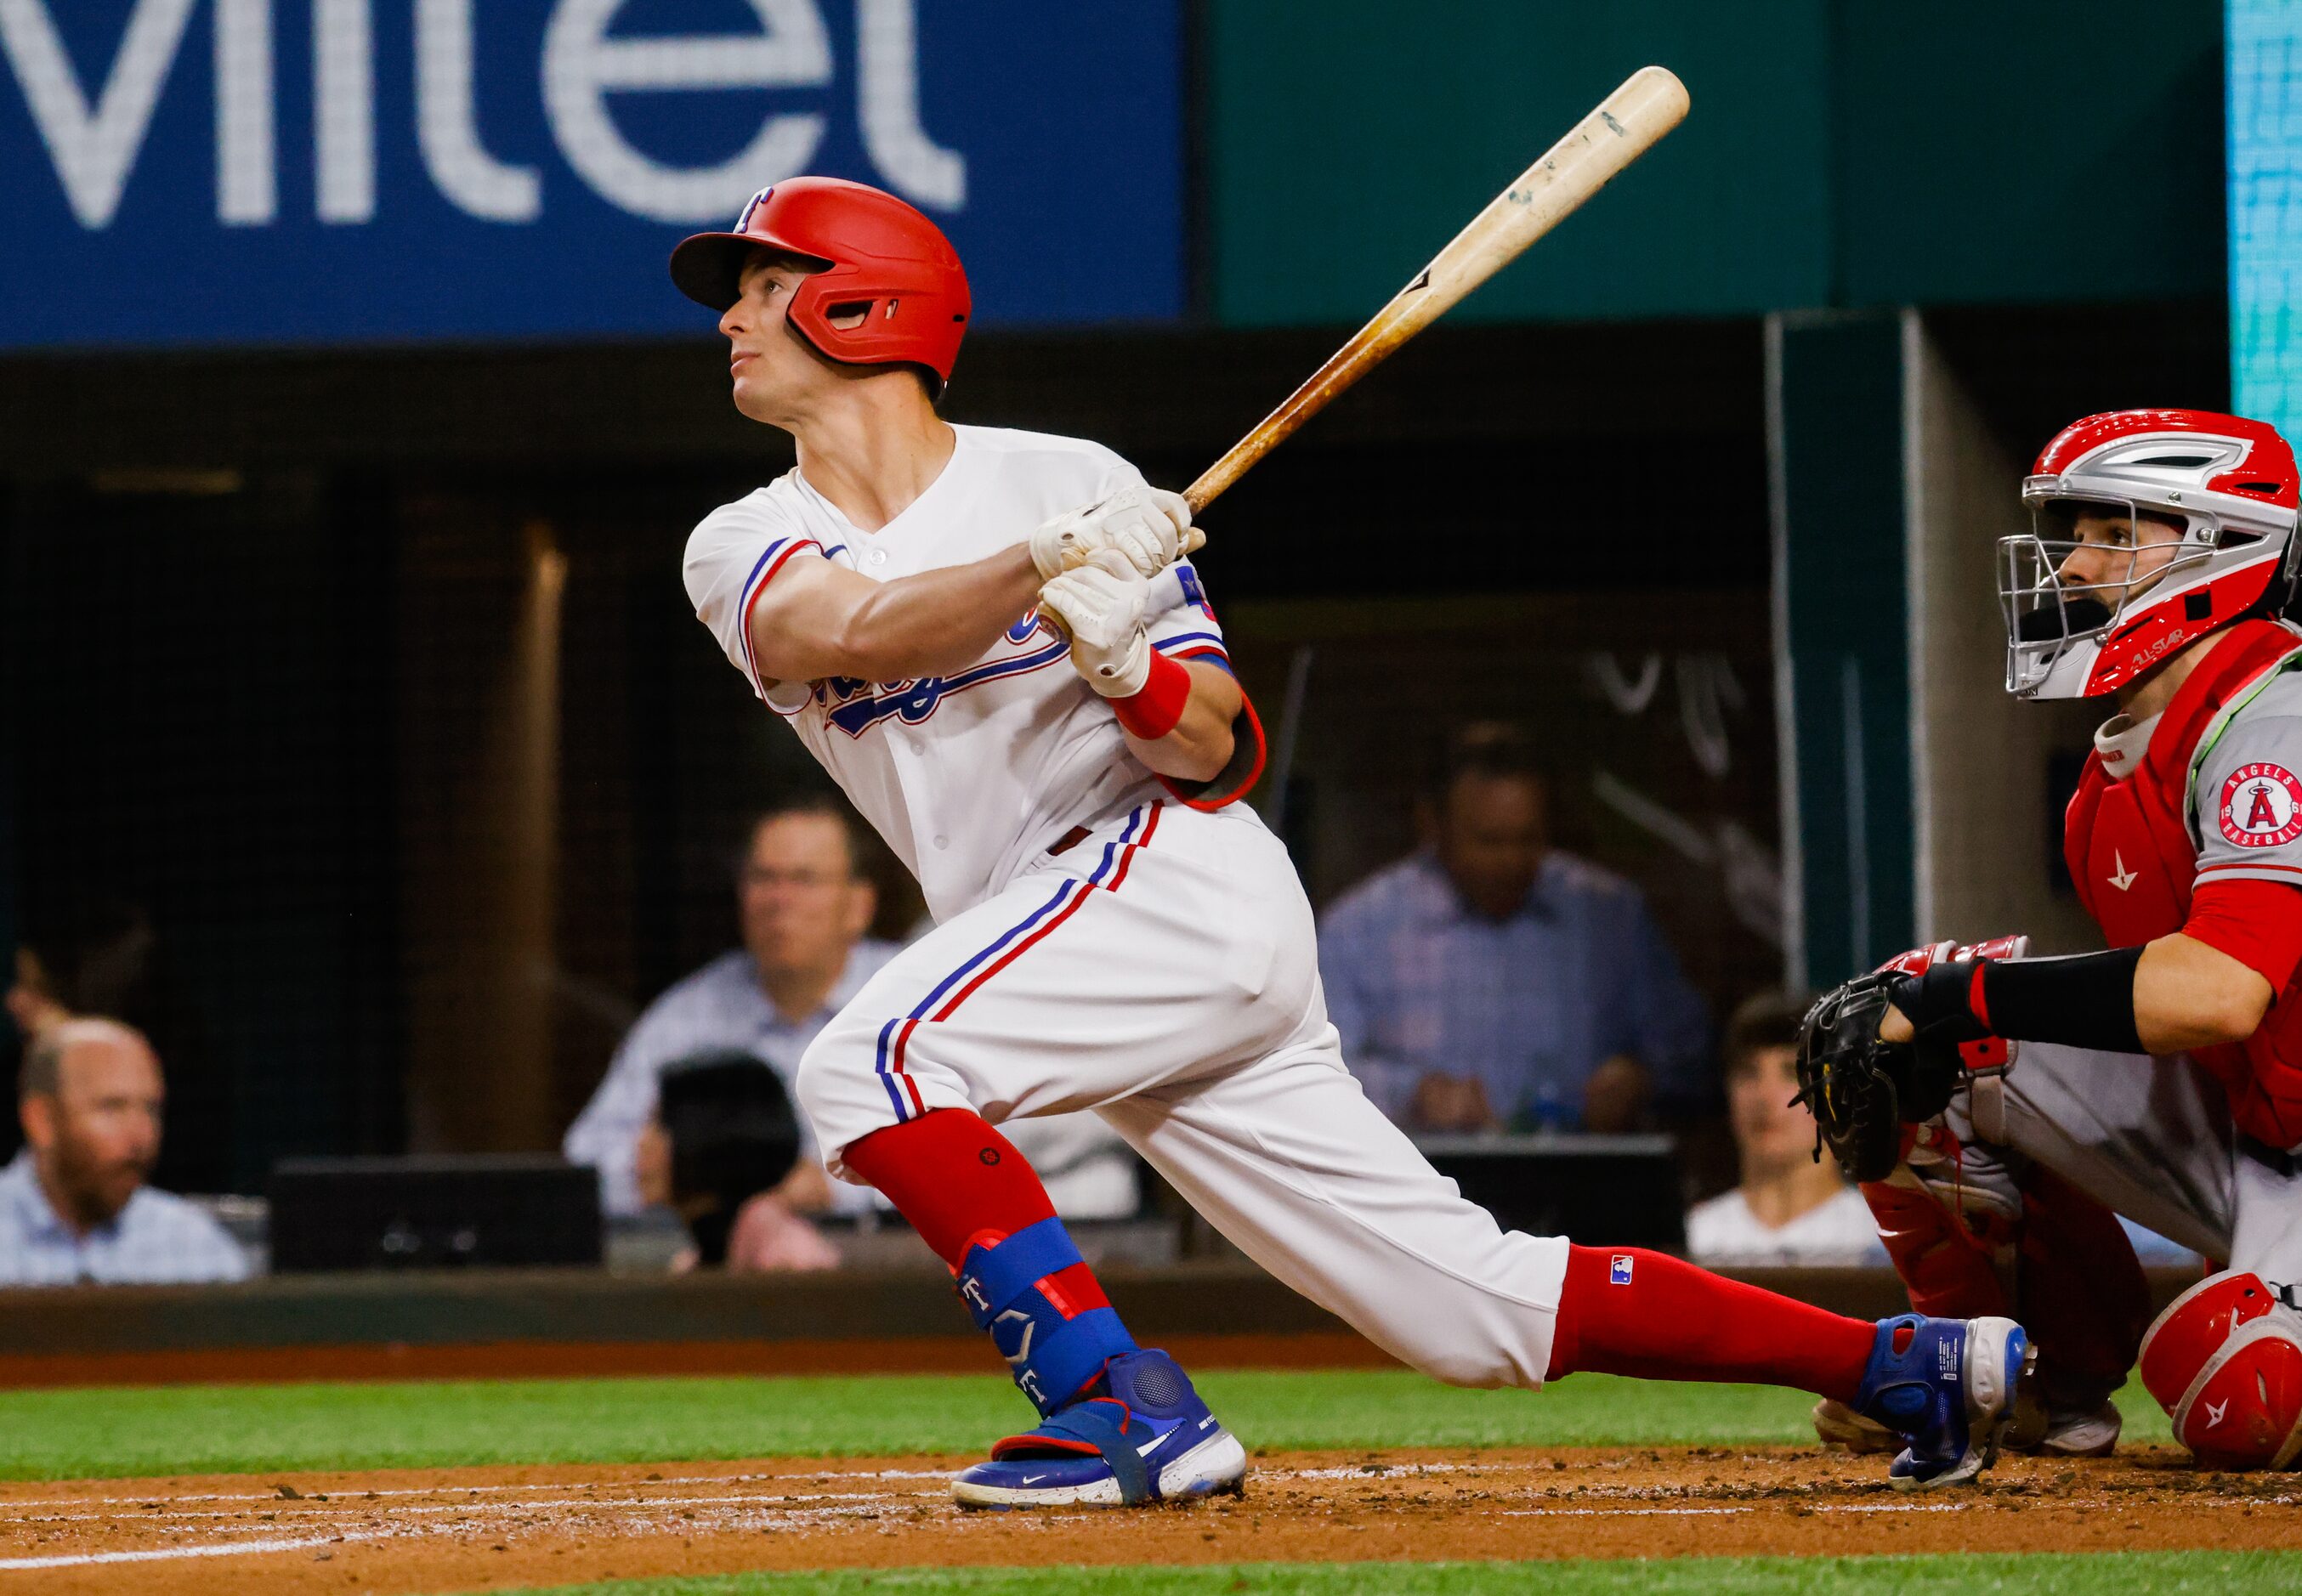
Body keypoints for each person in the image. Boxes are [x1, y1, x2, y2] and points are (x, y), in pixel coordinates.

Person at [667, 173, 2033, 1508]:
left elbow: (1218, 745)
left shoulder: (1071, 476)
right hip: (1061, 931)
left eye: (764, 287)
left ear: (864, 308)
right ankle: (1910, 1365)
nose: (730, 317)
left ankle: (1111, 1405)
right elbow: (843, 632)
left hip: (1167, 869)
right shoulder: (746, 539)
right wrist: (1046, 568)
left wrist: (1125, 661)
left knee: (875, 1057)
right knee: (1463, 1308)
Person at [1799, 409, 2302, 1470]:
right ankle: (2016, 1381)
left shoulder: (2276, 724)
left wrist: (1971, 996)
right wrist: (1949, 1004)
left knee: (2239, 1396)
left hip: (2270, 1103)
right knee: (1892, 1030)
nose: (2072, 561)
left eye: (2112, 533)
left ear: (2219, 548)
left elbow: (2215, 994)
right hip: (2264, 1130)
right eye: (2075, 529)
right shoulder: (2119, 769)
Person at [566, 795, 1141, 1226]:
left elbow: (1012, 1138)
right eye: (763, 878)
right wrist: (680, 1178)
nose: (778, 900)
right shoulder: (688, 1017)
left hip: (903, 1265)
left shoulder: (921, 985)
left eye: (804, 880)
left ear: (858, 906)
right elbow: (585, 1163)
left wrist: (834, 1191)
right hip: (733, 1284)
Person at [1318, 723, 1709, 1135]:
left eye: (1528, 839)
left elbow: (1696, 1056)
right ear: (1433, 827)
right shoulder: (1360, 930)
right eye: (1489, 841)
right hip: (1419, 1181)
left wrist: (1640, 1079)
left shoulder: (1610, 916)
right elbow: (1311, 1072)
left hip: (1581, 1181)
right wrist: (1411, 1095)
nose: (1510, 861)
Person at [0, 1018, 248, 1285]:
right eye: (113, 1107)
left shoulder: (194, 1246)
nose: (141, 1135)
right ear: (42, 1120)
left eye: (151, 1109)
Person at [1685, 992, 1885, 1267]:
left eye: (1792, 1074)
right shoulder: (1694, 1239)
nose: (1764, 1096)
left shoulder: (1880, 1239)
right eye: (1748, 1073)